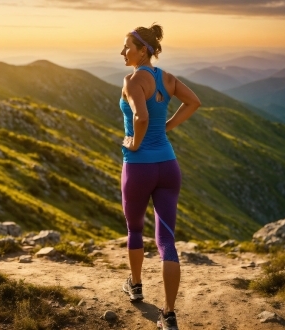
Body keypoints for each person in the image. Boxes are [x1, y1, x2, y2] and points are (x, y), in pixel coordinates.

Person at [119, 23, 201, 330]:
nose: (122, 51)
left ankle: (136, 285)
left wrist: (135, 143)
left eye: (127, 46)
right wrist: (167, 127)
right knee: (166, 240)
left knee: (135, 229)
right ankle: (168, 314)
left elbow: (140, 117)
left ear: (143, 50)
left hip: (138, 167)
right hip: (168, 166)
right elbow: (194, 102)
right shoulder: (166, 78)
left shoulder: (131, 80)